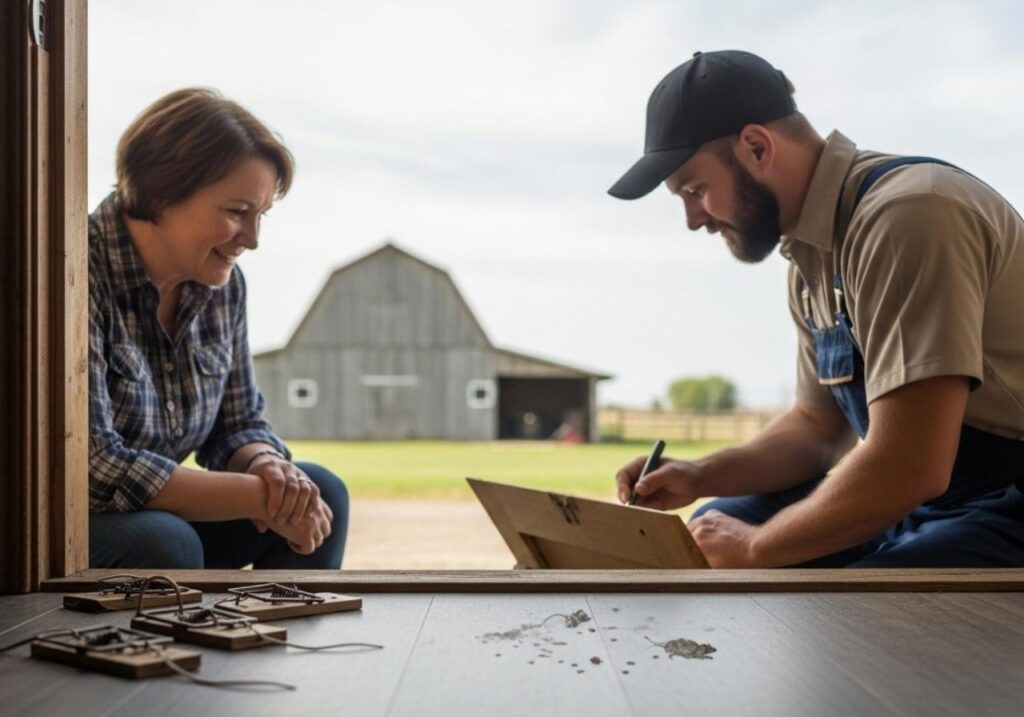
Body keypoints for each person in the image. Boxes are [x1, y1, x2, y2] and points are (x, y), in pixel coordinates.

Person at [609, 50, 1024, 568]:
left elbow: (910, 465)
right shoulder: (811, 258)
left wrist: (754, 546)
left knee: (858, 615)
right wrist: (700, 473)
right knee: (707, 531)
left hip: (1003, 503)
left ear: (756, 147)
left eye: (695, 190)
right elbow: (818, 429)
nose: (694, 219)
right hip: (928, 499)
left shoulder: (909, 216)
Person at [89, 88, 348, 569]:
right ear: (162, 192)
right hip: (67, 523)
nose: (252, 240)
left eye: (261, 215)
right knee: (165, 544)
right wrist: (257, 497)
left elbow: (237, 424)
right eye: (236, 212)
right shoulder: (71, 271)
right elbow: (95, 469)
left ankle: (276, 642)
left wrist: (266, 466)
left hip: (158, 516)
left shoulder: (223, 286)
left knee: (321, 491)